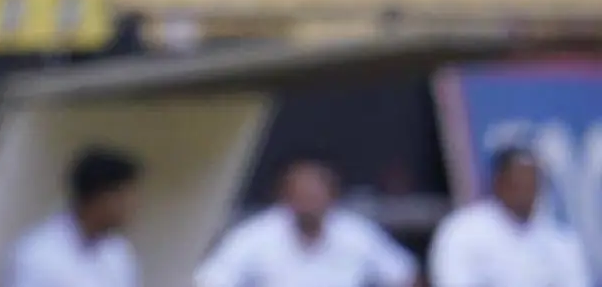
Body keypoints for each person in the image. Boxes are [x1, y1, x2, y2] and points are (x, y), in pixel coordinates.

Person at [194, 157, 417, 287]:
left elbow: (404, 276)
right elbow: (209, 281)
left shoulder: (356, 233)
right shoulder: (254, 236)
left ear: (332, 196)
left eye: (315, 195)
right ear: (285, 198)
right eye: (301, 195)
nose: (309, 203)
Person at [428, 144, 587, 287]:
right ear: (499, 183)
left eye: (532, 184)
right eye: (518, 184)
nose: (526, 192)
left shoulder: (561, 241)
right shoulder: (462, 231)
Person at [8, 147, 142, 287]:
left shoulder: (119, 254)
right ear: (102, 196)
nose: (133, 205)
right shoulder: (38, 252)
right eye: (125, 197)